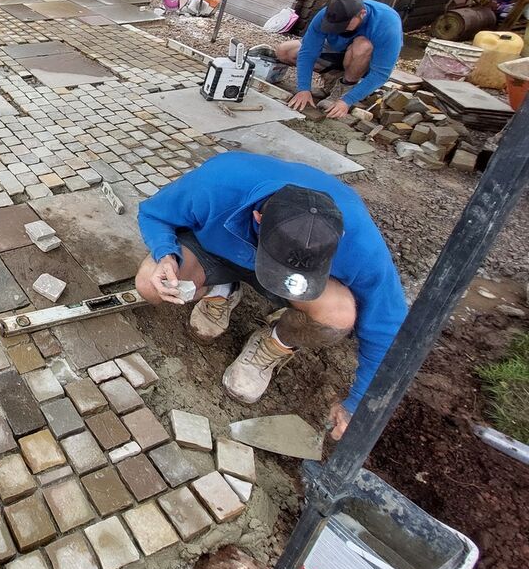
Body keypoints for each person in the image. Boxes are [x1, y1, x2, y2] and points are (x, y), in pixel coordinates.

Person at [134, 152, 407, 440]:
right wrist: (165, 253)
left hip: (289, 280)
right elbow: (153, 213)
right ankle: (220, 289)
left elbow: (388, 325)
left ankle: (276, 342)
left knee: (338, 315)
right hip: (214, 250)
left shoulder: (358, 239)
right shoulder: (219, 182)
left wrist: (359, 405)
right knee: (150, 284)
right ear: (258, 217)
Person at [275, 0, 403, 120]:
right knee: (285, 51)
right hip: (337, 51)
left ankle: (344, 89)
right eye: (334, 26)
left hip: (363, 59)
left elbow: (380, 73)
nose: (338, 28)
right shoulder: (328, 13)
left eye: (344, 25)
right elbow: (308, 51)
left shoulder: (387, 25)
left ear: (362, 14)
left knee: (363, 46)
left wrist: (347, 100)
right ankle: (332, 79)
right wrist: (303, 88)